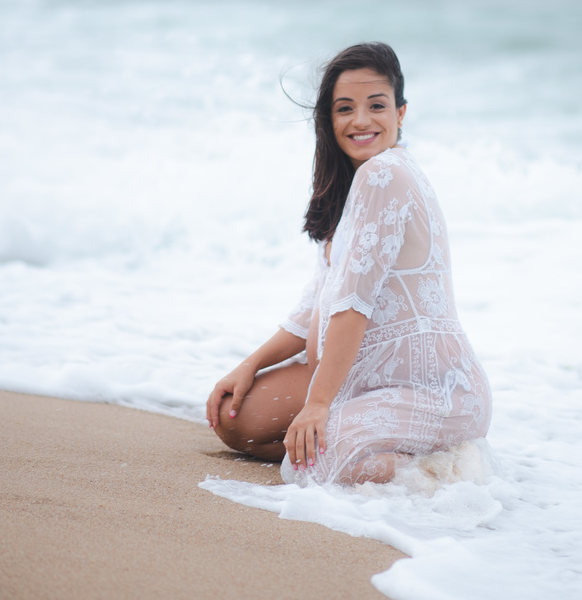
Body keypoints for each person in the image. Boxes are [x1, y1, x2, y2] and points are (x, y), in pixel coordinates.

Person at [205, 42, 491, 485]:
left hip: (432, 390)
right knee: (235, 420)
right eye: (345, 108)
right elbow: (315, 304)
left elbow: (352, 305)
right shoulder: (354, 184)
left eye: (376, 105)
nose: (360, 120)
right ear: (329, 119)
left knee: (313, 465)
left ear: (400, 113)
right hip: (363, 377)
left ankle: (448, 465)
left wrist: (318, 404)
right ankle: (368, 440)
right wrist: (251, 364)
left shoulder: (384, 175)